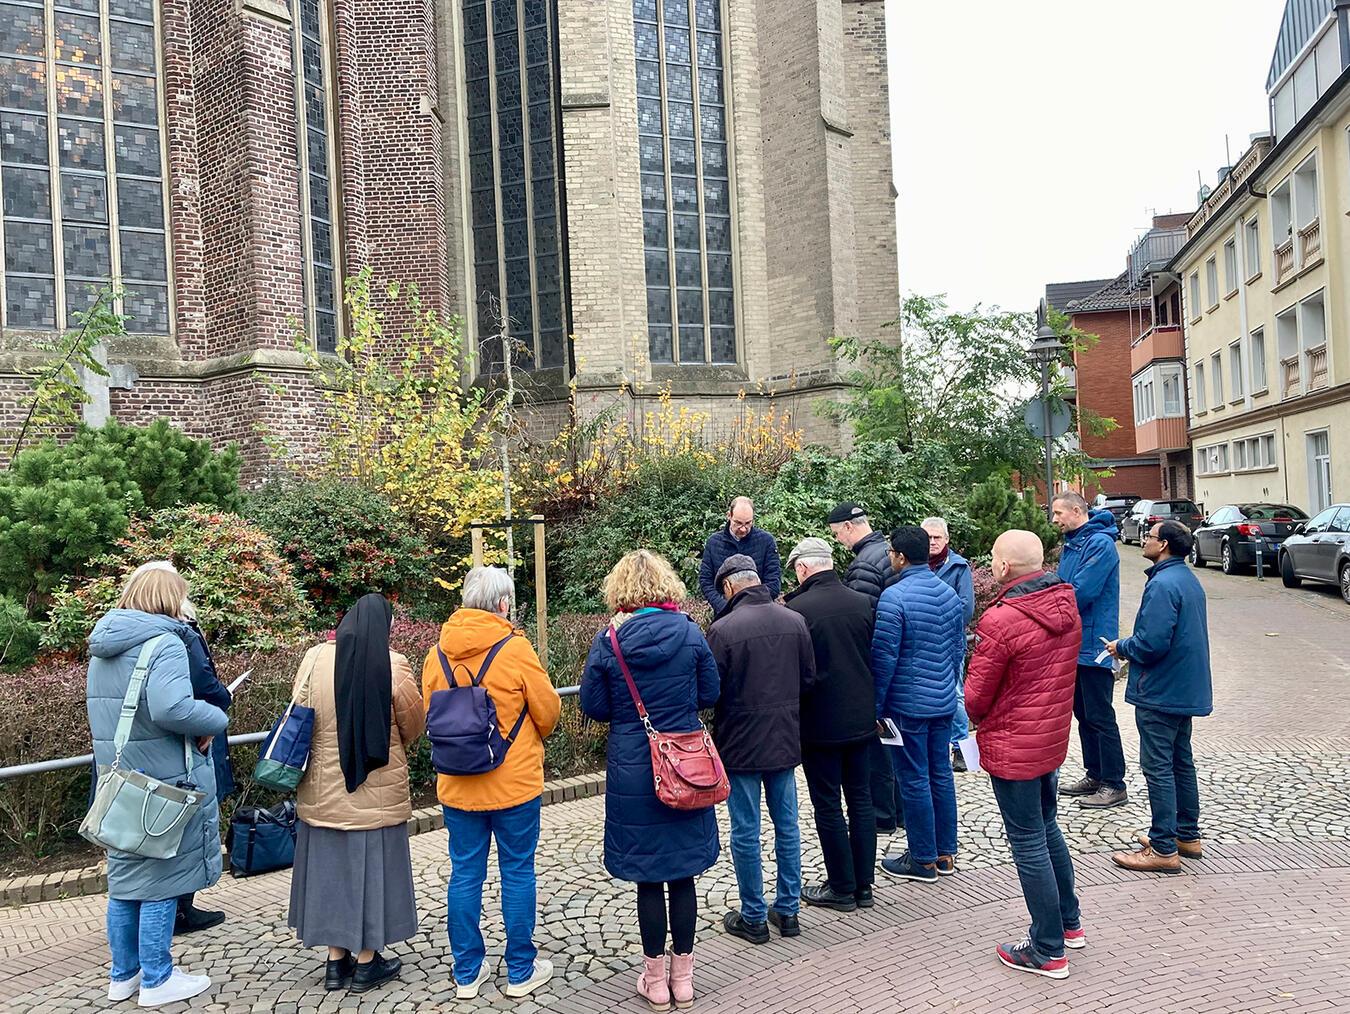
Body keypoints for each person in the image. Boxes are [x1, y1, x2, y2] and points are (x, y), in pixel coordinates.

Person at [580, 550, 721, 1013]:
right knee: (683, 875)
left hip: (634, 766)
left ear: (620, 591)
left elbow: (594, 706)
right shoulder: (689, 631)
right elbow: (710, 693)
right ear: (667, 586)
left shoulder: (609, 641)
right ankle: (685, 980)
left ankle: (655, 982)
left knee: (648, 878)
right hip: (685, 762)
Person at [86, 564, 227, 1007]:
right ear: (169, 598)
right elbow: (172, 709)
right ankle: (157, 979)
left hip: (120, 781)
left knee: (125, 882)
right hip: (162, 782)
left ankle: (123, 975)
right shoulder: (164, 642)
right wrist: (217, 719)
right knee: (164, 879)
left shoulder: (103, 646)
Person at [422, 567, 562, 1000]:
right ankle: (520, 970)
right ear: (503, 605)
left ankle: (466, 973)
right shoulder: (515, 649)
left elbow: (431, 717)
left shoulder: (435, 656)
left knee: (464, 874)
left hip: (458, 788)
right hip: (513, 784)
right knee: (517, 871)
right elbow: (548, 713)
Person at [287, 593, 424, 995]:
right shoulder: (393, 665)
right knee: (373, 875)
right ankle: (367, 963)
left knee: (331, 876)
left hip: (322, 794)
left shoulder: (313, 659)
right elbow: (413, 724)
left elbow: (299, 713)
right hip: (376, 794)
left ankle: (335, 962)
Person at [965, 530, 1084, 980]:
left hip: (1015, 744)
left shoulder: (1002, 620)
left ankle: (1048, 948)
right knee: (1046, 826)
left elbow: (976, 698)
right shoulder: (1065, 604)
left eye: (994, 557)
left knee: (1028, 840)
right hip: (1049, 738)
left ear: (1004, 567)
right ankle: (1068, 923)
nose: (991, 564)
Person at [705, 554, 816, 944]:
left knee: (746, 830)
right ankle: (788, 911)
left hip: (740, 744)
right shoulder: (794, 620)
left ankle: (753, 915)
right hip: (784, 738)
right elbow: (807, 679)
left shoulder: (723, 629)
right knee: (788, 826)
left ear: (731, 587)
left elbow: (710, 691)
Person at [1106, 520, 1213, 874]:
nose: (1144, 541)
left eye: (1150, 537)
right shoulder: (1186, 579)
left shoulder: (1163, 584)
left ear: (1163, 545)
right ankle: (1187, 835)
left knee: (1159, 767)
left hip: (1161, 691)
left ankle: (1164, 847)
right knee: (1182, 762)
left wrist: (1121, 646)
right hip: (1183, 689)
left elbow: (1151, 643)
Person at [783, 537, 878, 913]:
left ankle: (841, 886)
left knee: (828, 806)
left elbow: (798, 673)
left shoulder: (797, 610)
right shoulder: (863, 603)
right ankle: (864, 885)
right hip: (861, 718)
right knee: (861, 800)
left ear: (803, 568)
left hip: (819, 723)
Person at [871, 526, 965, 884]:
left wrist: (877, 708)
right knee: (940, 775)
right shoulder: (948, 594)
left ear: (900, 556)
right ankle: (945, 854)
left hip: (907, 706)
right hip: (942, 701)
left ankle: (922, 859)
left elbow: (884, 660)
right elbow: (958, 651)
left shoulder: (894, 598)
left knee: (913, 780)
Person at [828, 501, 902, 837]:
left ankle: (882, 812)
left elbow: (859, 622)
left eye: (836, 534)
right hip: (899, 658)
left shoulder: (862, 566)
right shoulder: (887, 552)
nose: (839, 541)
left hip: (876, 662)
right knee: (897, 740)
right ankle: (899, 810)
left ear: (847, 527)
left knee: (879, 739)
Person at [1052, 492, 1128, 809]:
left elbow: (1080, 592)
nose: (1054, 519)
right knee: (1083, 714)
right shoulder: (1074, 543)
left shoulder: (1099, 545)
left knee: (1099, 715)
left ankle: (1114, 783)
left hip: (1095, 643)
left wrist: (1046, 608)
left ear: (1076, 510)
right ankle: (1094, 774)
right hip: (1075, 642)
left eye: (1058, 513)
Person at [175, 599, 233, 936]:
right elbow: (203, 682)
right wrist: (221, 704)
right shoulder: (183, 633)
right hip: (190, 744)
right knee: (190, 823)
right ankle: (182, 909)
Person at [922, 517, 974, 771]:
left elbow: (965, 609)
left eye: (937, 537)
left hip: (950, 642)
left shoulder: (958, 567)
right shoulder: (916, 565)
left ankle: (963, 749)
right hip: (922, 644)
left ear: (947, 539)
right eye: (928, 537)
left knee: (954, 694)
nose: (932, 542)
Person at [698, 496, 782, 614]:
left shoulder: (766, 541)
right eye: (738, 523)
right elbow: (706, 581)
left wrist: (752, 606)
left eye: (748, 523)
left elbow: (774, 582)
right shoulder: (714, 542)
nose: (743, 529)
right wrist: (724, 608)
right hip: (724, 613)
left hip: (760, 612)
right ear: (729, 516)